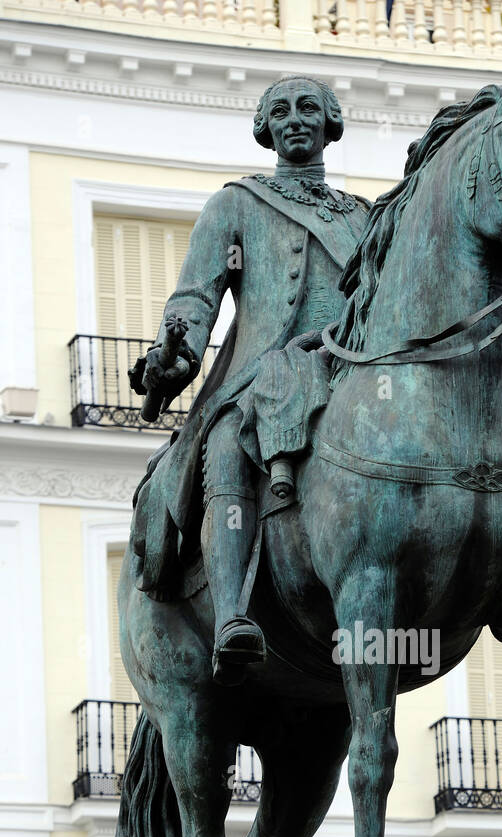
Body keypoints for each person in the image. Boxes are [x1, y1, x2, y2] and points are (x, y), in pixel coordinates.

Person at [130, 77, 370, 683]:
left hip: (352, 369)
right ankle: (234, 612)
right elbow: (194, 296)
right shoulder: (237, 203)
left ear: (330, 123)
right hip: (266, 369)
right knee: (228, 442)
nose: (294, 119)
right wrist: (173, 356)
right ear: (265, 128)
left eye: (308, 108)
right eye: (280, 110)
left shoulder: (364, 216)